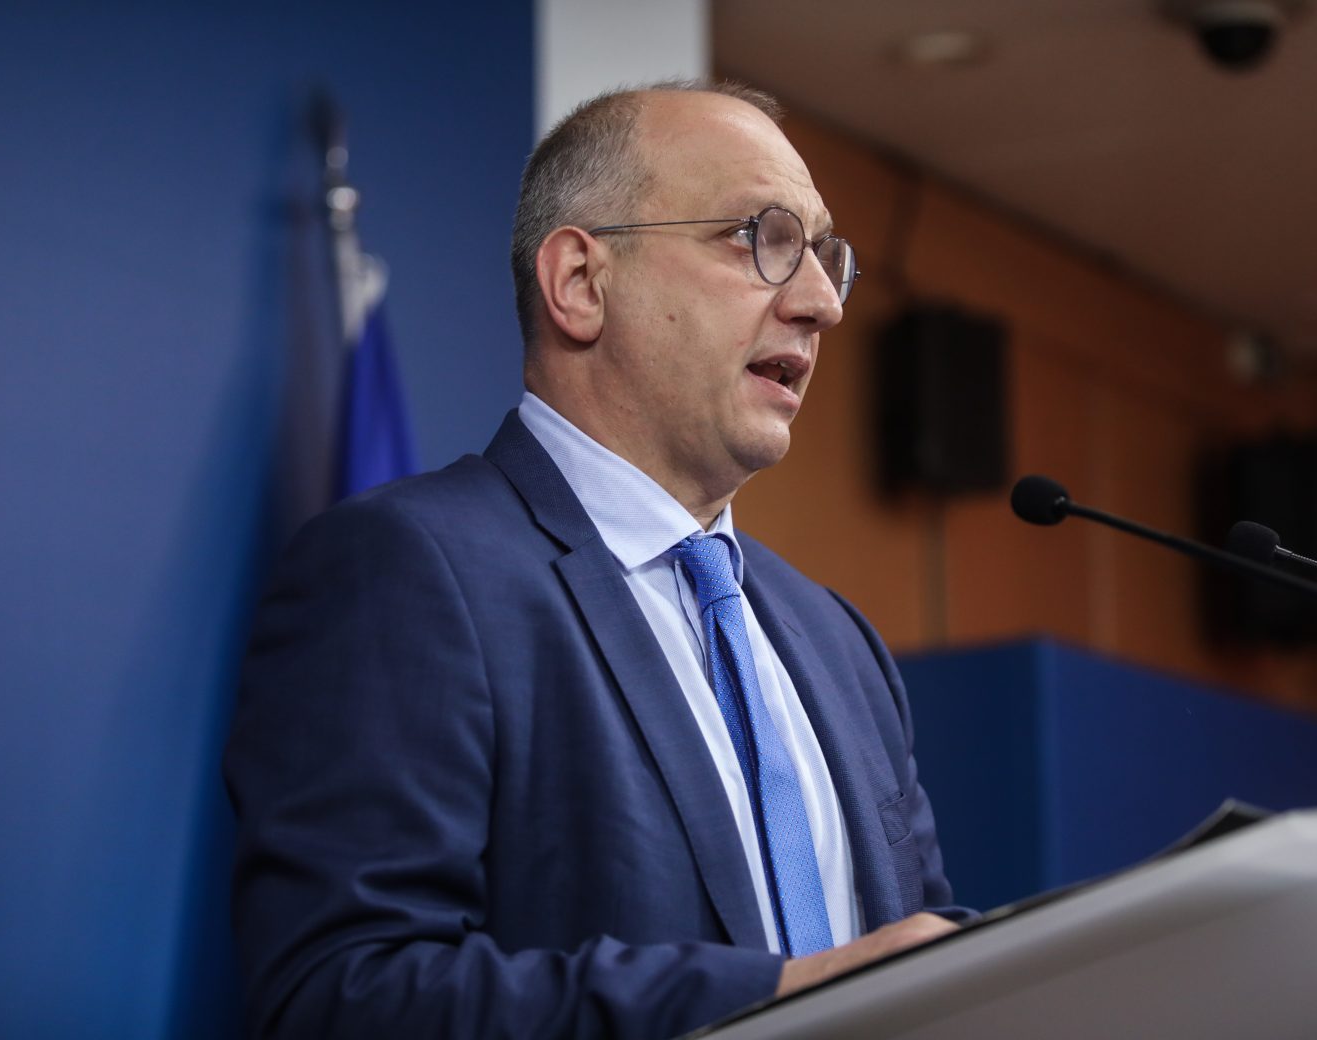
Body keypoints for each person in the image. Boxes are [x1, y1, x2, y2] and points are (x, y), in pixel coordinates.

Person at [224, 79, 969, 1040]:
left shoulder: (839, 642)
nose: (822, 303)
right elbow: (343, 994)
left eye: (827, 258)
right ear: (581, 282)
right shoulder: (408, 570)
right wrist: (776, 1001)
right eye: (761, 238)